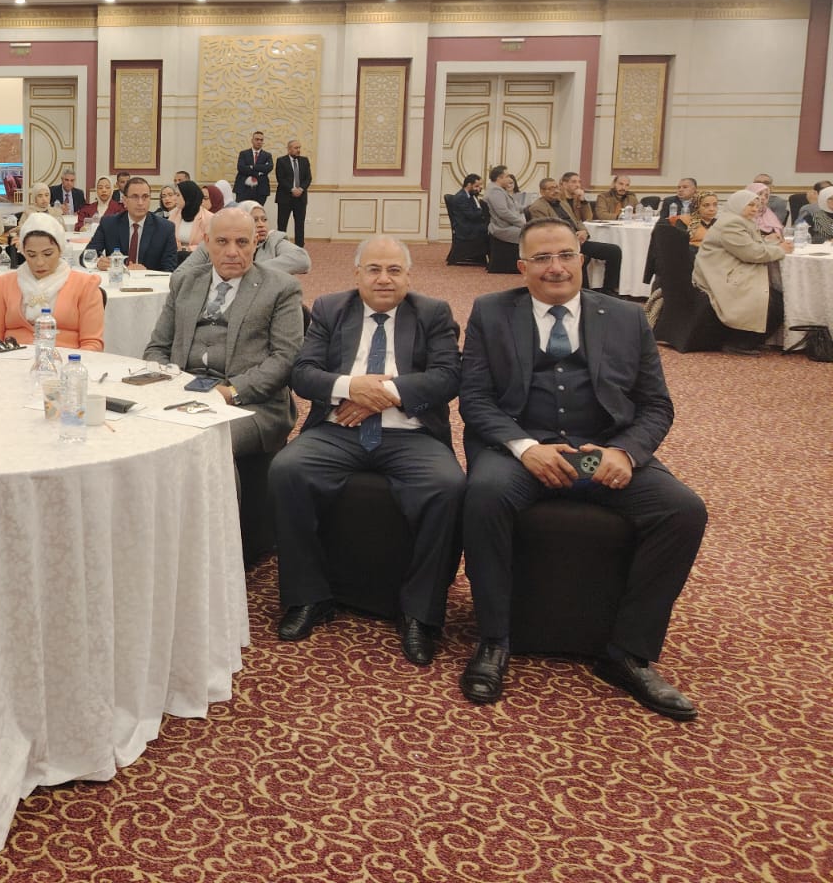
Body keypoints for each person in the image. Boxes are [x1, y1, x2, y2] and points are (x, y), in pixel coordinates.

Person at [459, 218, 708, 720]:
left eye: (566, 255)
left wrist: (625, 453)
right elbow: (476, 400)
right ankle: (495, 639)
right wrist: (525, 447)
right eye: (542, 258)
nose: (556, 268)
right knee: (482, 496)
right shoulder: (491, 311)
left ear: (581, 258)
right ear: (522, 266)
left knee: (683, 511)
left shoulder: (627, 317)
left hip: (601, 452)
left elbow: (656, 405)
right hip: (523, 450)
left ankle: (628, 652)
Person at [268, 237, 464, 664]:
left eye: (394, 270)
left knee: (448, 486)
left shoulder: (433, 313)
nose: (383, 279)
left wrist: (385, 394)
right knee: (287, 470)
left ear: (409, 276)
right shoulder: (330, 309)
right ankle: (308, 597)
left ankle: (419, 613)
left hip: (410, 433)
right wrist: (350, 386)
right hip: (339, 428)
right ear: (357, 274)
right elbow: (303, 373)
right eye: (373, 269)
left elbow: (449, 376)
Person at [142, 208, 304, 458]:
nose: (232, 252)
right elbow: (157, 348)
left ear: (255, 243)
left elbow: (285, 358)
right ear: (207, 242)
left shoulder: (281, 288)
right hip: (182, 393)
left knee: (208, 443)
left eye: (242, 242)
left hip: (251, 404)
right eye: (222, 241)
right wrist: (171, 384)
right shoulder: (185, 282)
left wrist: (232, 392)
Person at [692, 189, 790, 356]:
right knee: (772, 301)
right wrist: (780, 250)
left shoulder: (741, 221)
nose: (755, 209)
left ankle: (751, 339)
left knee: (774, 298)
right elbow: (751, 253)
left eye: (757, 206)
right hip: (720, 274)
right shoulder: (732, 223)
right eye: (750, 205)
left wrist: (770, 243)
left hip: (729, 268)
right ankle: (740, 342)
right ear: (738, 205)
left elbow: (749, 246)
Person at [0, 213, 103, 350]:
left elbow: (92, 344)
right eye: (31, 255)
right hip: (10, 359)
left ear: (61, 250)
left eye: (47, 254)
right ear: (23, 251)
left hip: (67, 359)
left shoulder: (85, 286)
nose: (39, 262)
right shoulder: (2, 285)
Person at [527, 177, 623, 294]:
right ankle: (584, 292)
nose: (555, 191)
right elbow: (547, 230)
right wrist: (571, 237)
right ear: (542, 192)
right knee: (583, 256)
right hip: (562, 244)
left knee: (614, 251)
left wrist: (584, 231)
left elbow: (577, 221)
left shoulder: (562, 203)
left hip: (578, 240)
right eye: (550, 189)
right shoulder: (537, 207)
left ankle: (608, 290)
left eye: (556, 187)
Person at [87, 177, 178, 272]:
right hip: (117, 279)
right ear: (125, 200)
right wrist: (98, 262)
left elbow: (170, 269)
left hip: (149, 280)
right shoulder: (109, 224)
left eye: (145, 197)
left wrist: (145, 272)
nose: (140, 203)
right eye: (135, 197)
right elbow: (86, 256)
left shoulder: (165, 228)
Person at [274, 139, 312, 244]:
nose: (298, 150)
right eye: (296, 148)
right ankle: (281, 245)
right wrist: (292, 189)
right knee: (282, 224)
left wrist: (301, 189)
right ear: (289, 149)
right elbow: (280, 178)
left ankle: (299, 247)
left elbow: (308, 178)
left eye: (299, 148)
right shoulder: (281, 161)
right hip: (285, 197)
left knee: (300, 224)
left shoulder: (304, 161)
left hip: (301, 198)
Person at [445, 173, 488, 264]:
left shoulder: (470, 195)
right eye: (477, 186)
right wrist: (486, 211)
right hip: (465, 228)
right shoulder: (461, 197)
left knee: (490, 226)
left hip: (469, 224)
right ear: (469, 185)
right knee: (490, 229)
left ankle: (481, 255)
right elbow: (472, 215)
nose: (479, 188)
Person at [485, 166, 528, 249]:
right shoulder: (495, 191)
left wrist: (529, 207)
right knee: (531, 233)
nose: (509, 179)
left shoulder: (499, 190)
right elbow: (503, 213)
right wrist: (522, 224)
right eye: (507, 176)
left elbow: (514, 207)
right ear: (499, 178)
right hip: (503, 228)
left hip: (507, 225)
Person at [167, 180, 212, 255]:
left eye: (178, 195)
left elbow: (210, 244)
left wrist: (187, 249)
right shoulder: (174, 214)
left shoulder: (208, 218)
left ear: (188, 196)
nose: (174, 198)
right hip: (175, 255)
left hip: (199, 257)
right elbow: (167, 237)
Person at [234, 131, 273, 204]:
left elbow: (269, 168)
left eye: (261, 140)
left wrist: (252, 167)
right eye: (257, 139)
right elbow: (241, 168)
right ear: (252, 140)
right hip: (243, 188)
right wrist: (259, 171)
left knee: (257, 210)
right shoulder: (243, 153)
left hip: (261, 189)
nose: (259, 142)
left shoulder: (267, 155)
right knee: (242, 209)